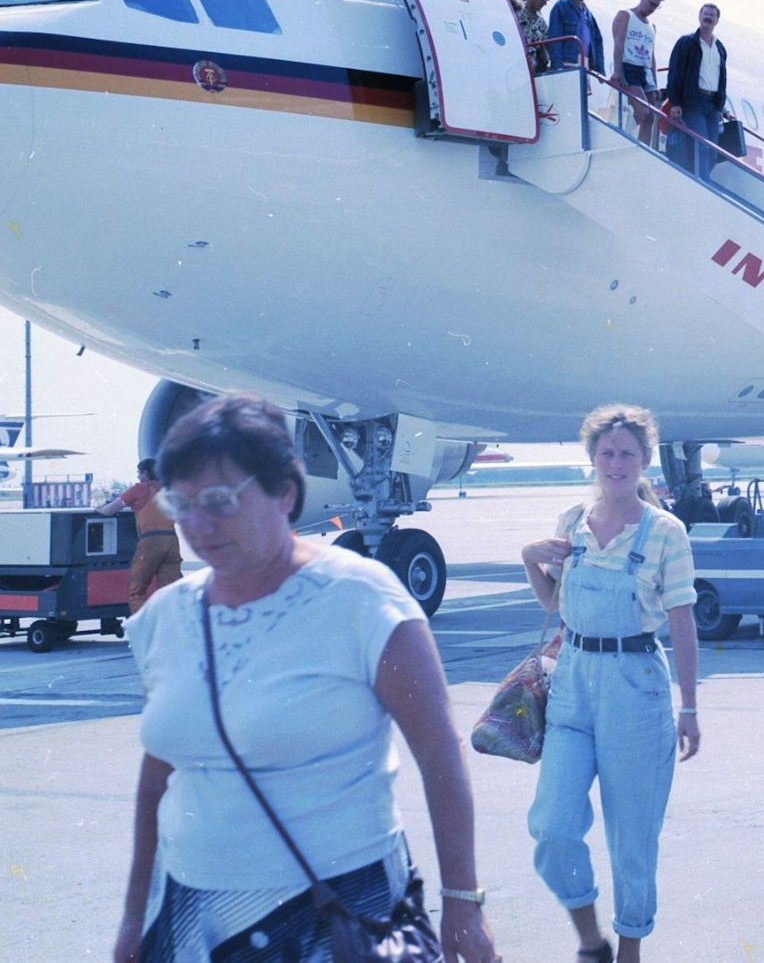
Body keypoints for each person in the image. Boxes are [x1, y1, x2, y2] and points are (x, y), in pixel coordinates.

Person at [114, 394, 498, 963]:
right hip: (195, 921)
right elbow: (159, 776)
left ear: (285, 493)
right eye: (182, 503)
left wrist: (462, 903)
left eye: (219, 501)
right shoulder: (164, 620)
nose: (198, 525)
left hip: (340, 916)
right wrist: (134, 920)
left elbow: (439, 753)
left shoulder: (363, 599)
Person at [522, 404, 699, 963]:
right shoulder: (572, 520)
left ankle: (628, 952)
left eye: (627, 454)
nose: (616, 463)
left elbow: (682, 621)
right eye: (607, 453)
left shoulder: (666, 532)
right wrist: (530, 560)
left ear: (644, 461)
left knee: (632, 839)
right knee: (551, 826)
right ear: (592, 458)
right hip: (573, 679)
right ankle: (589, 940)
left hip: (635, 685)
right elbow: (558, 604)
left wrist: (689, 707)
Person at [99, 459, 181, 615]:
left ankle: (143, 628)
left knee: (136, 590)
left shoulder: (139, 489)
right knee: (170, 590)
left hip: (150, 541)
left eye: (139, 473)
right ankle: (169, 627)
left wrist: (99, 509)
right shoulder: (169, 491)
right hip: (172, 541)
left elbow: (110, 510)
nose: (138, 477)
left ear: (145, 473)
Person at [664, 3, 727, 179]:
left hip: (712, 104)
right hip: (693, 102)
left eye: (712, 15)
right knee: (702, 144)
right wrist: (675, 102)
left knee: (713, 150)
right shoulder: (687, 42)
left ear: (717, 20)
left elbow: (721, 78)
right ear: (699, 17)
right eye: (705, 13)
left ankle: (697, 177)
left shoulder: (719, 48)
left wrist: (721, 105)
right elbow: (675, 73)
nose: (708, 17)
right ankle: (702, 183)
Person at [610, 0, 664, 145]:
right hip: (629, 66)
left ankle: (643, 148)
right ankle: (624, 132)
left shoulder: (651, 27)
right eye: (651, 4)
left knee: (651, 116)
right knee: (643, 111)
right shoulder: (626, 15)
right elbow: (618, 42)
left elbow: (651, 56)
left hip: (645, 71)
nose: (652, 9)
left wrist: (654, 84)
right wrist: (617, 71)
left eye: (656, 6)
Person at [548, 0, 605, 75]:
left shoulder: (589, 15)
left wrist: (600, 70)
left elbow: (597, 42)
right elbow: (554, 38)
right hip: (566, 64)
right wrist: (557, 67)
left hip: (584, 65)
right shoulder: (561, 6)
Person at [520, 0, 551, 73]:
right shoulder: (515, 10)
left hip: (528, 69)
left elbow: (543, 49)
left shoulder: (542, 24)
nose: (545, 3)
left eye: (546, 1)